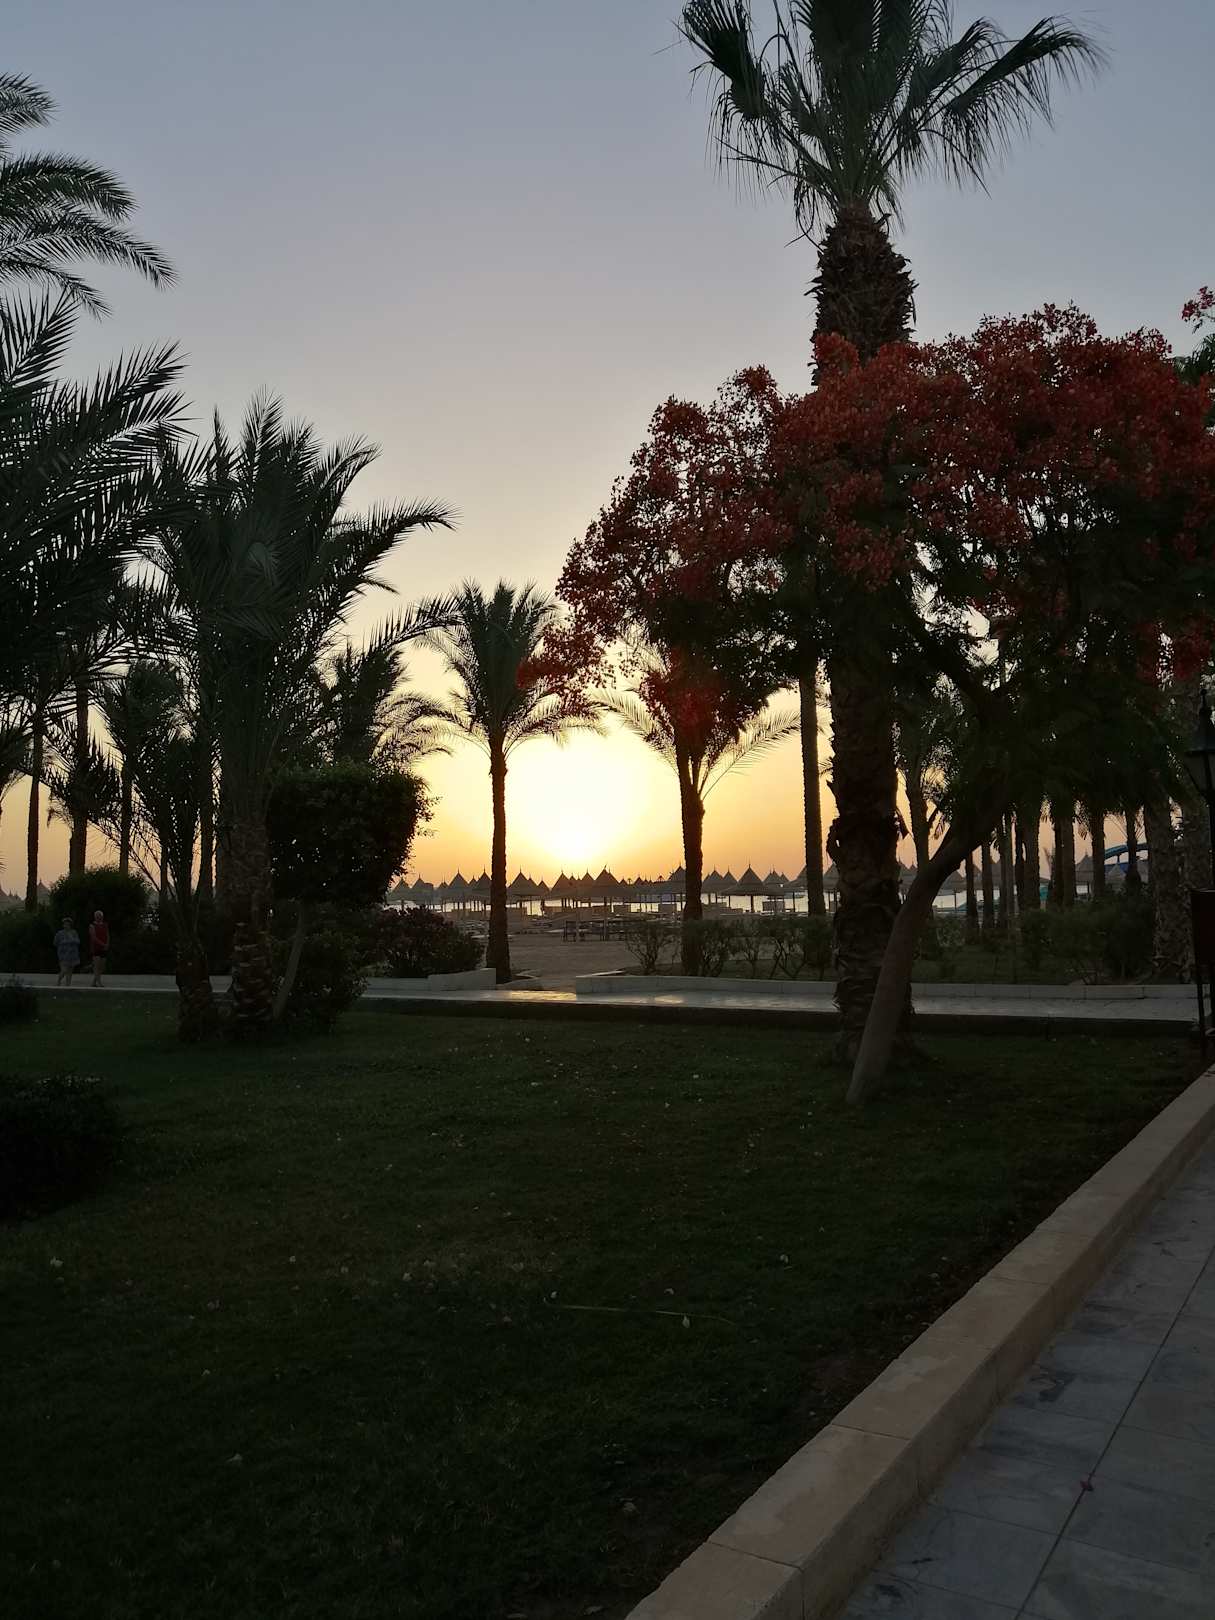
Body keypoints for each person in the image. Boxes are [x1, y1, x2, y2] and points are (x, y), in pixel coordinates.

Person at [53, 917, 81, 986]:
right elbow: (55, 943)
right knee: (64, 970)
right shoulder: (59, 933)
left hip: (72, 954)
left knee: (70, 971)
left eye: (68, 924)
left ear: (70, 925)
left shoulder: (74, 932)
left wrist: (72, 939)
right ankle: (58, 981)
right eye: (65, 924)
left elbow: (78, 941)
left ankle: (68, 985)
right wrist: (63, 943)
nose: (66, 925)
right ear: (63, 925)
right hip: (63, 955)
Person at [88, 908, 110, 987]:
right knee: (97, 966)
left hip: (104, 947)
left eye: (100, 916)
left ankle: (94, 982)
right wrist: (103, 944)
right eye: (97, 916)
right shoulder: (92, 925)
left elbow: (107, 935)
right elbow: (93, 937)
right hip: (96, 948)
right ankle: (99, 982)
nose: (99, 917)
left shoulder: (105, 924)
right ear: (95, 917)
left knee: (102, 966)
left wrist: (107, 944)